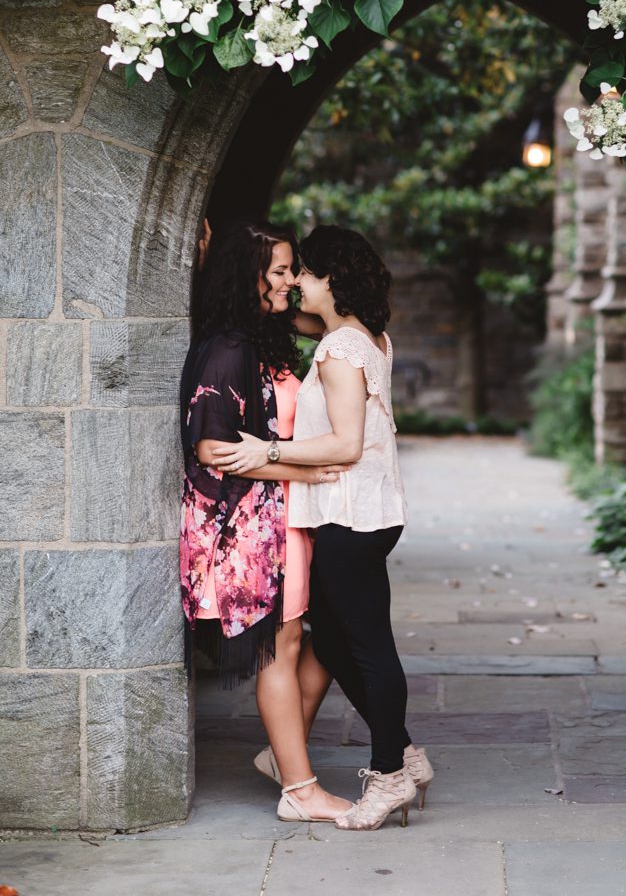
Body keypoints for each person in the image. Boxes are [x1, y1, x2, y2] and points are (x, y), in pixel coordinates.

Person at [212, 224, 433, 831]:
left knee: (367, 647)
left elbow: (345, 442)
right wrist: (242, 279)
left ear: (330, 279)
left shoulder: (339, 352)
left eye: (303, 272)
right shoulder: (366, 338)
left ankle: (389, 772)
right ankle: (407, 755)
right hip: (369, 514)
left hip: (348, 516)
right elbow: (287, 320)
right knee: (334, 642)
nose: (295, 283)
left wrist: (269, 450)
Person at [180, 218, 352, 823]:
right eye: (280, 271)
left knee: (314, 636)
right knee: (281, 649)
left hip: (281, 519)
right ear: (247, 275)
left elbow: (337, 320)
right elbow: (213, 452)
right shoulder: (229, 349)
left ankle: (286, 760)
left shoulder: (262, 333)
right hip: (250, 528)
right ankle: (299, 791)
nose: (290, 282)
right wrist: (302, 472)